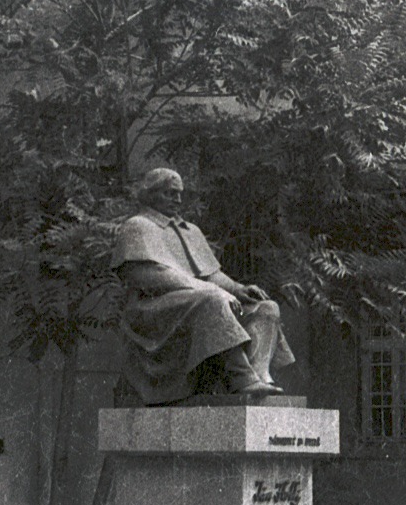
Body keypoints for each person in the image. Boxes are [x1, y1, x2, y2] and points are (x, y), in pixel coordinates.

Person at [110, 168, 295, 405]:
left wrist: (238, 289)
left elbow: (211, 274)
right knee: (212, 300)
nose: (177, 199)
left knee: (265, 307)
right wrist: (207, 290)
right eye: (169, 193)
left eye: (179, 194)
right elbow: (148, 276)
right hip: (154, 309)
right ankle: (242, 378)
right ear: (151, 193)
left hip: (196, 303)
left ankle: (258, 378)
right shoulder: (137, 226)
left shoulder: (191, 231)